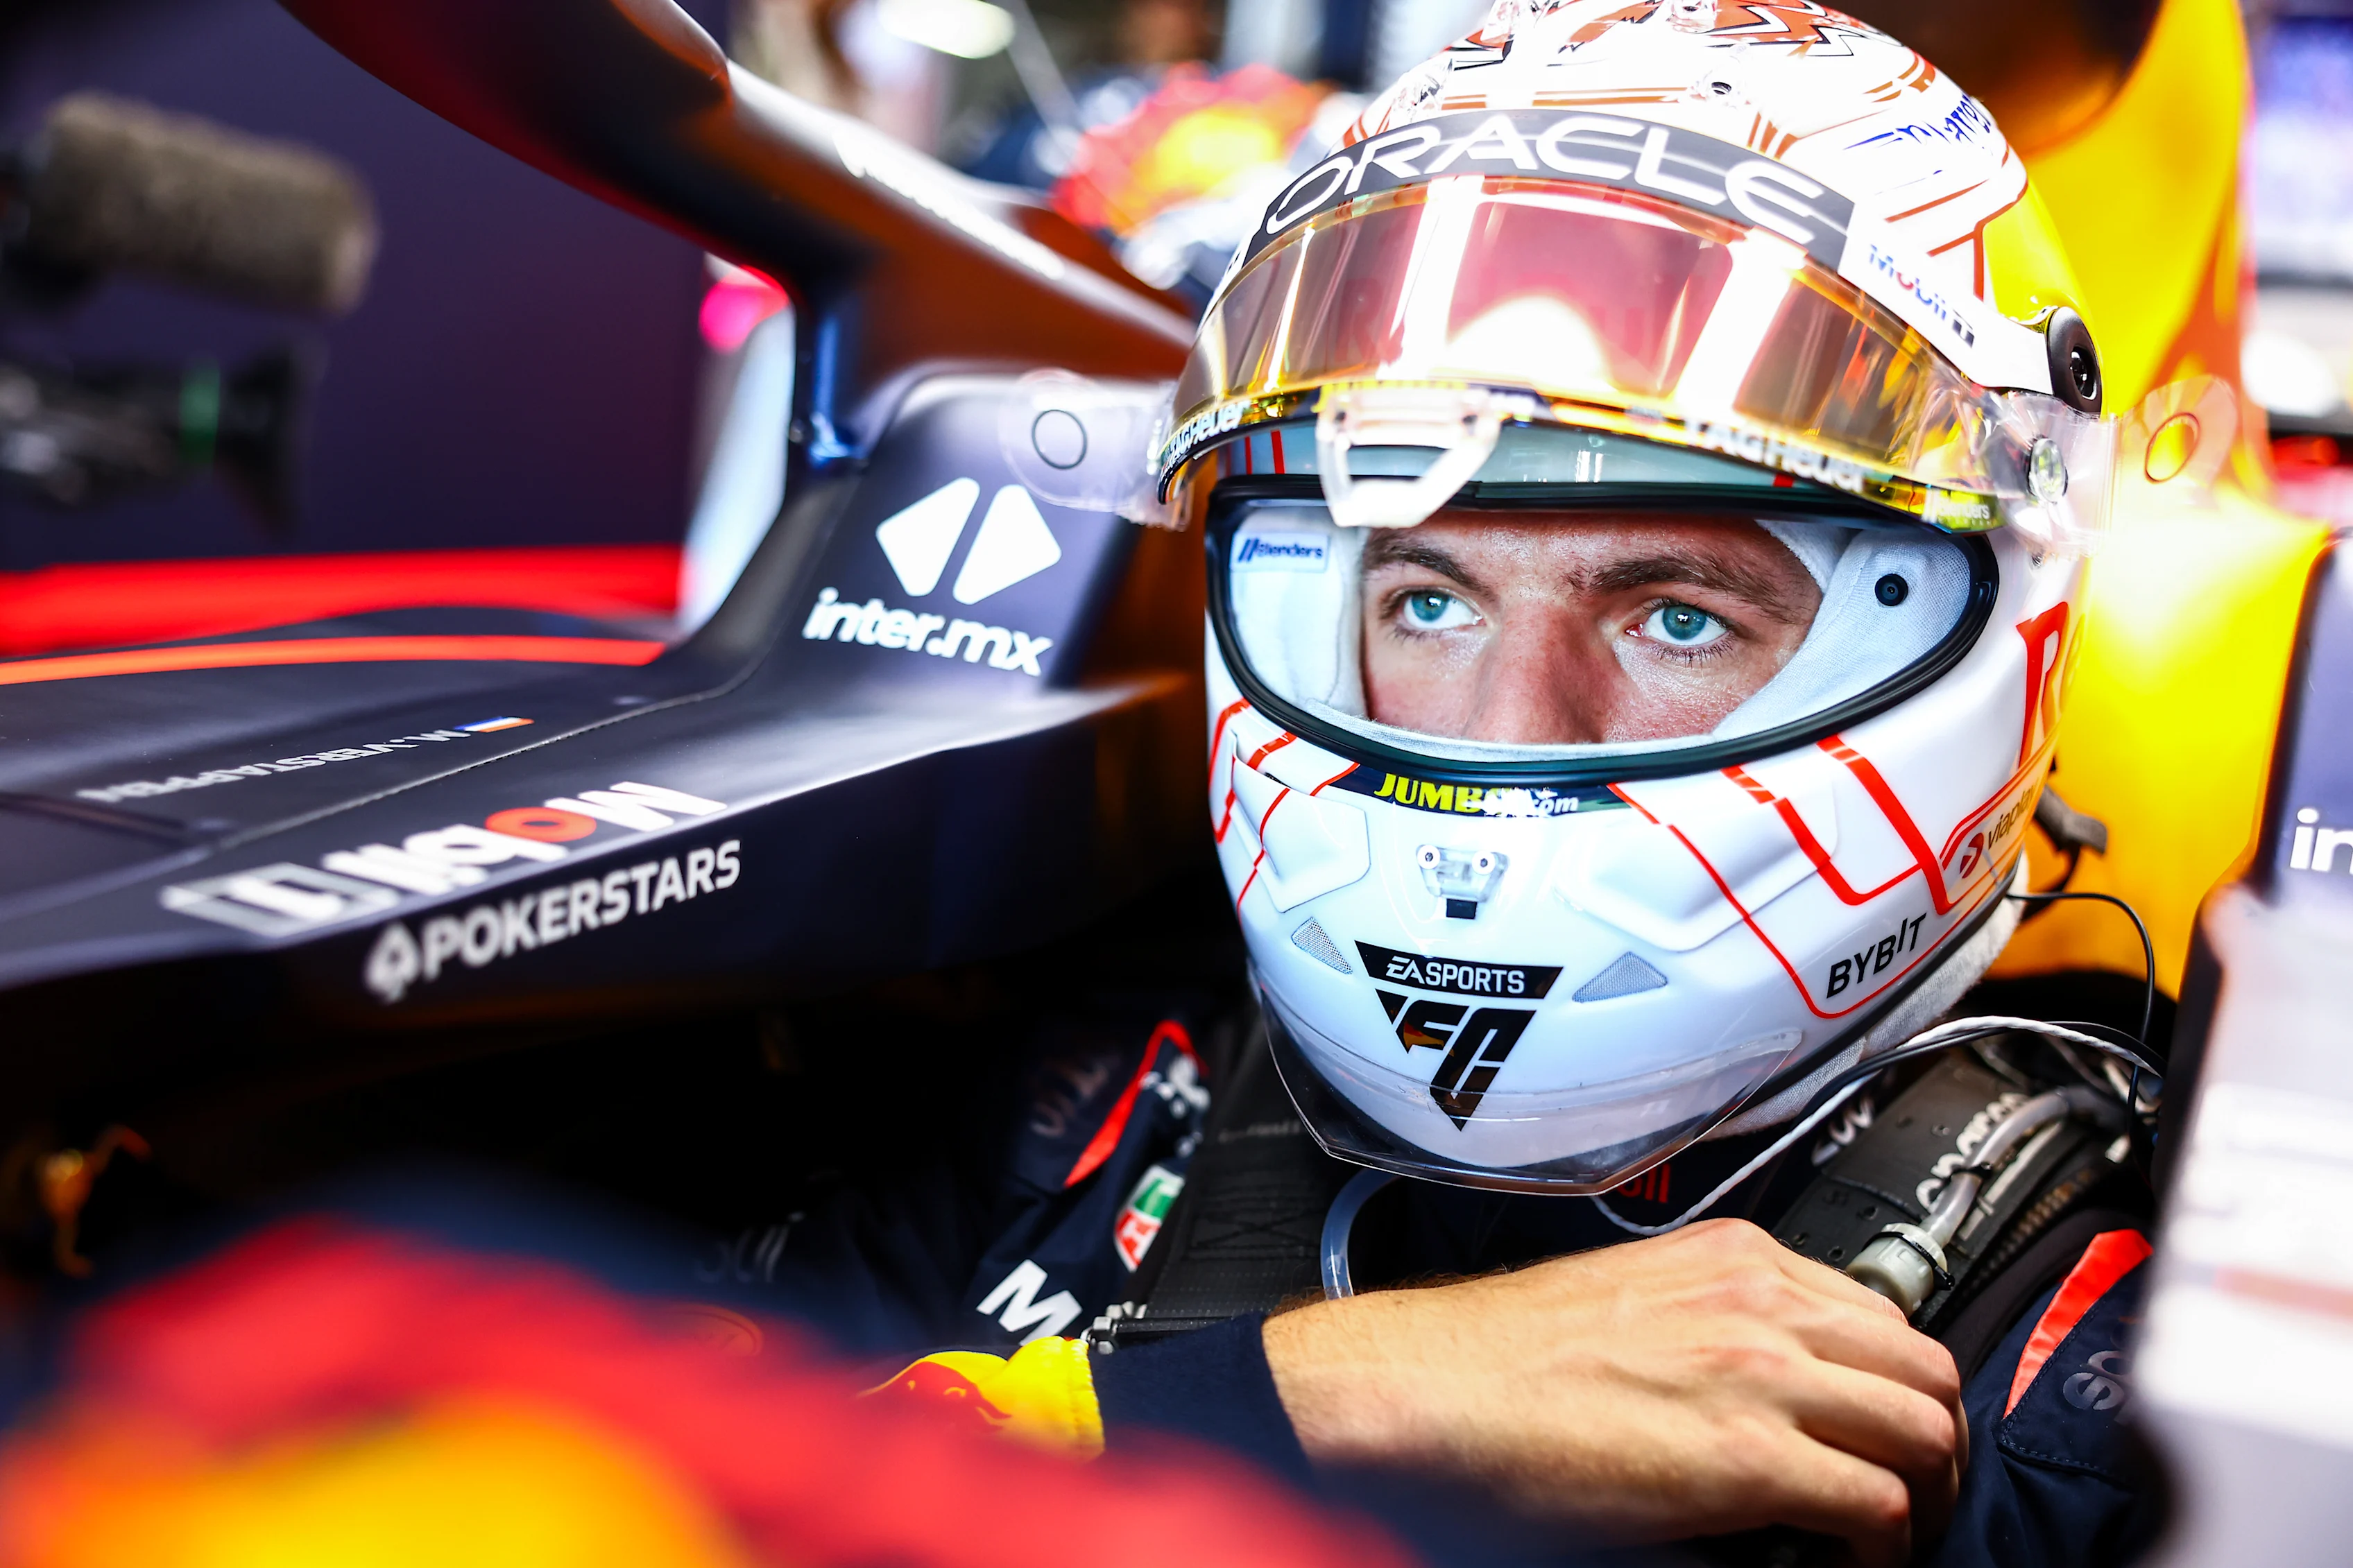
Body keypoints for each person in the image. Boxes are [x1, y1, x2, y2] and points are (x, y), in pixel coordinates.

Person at [749, 6, 2177, 1565]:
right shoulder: (1087, 1088)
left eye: (1676, 615)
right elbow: (589, 1486)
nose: (1514, 729)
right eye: (1428, 601)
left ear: (1991, 636)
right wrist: (1310, 1398)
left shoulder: (2115, 1377)